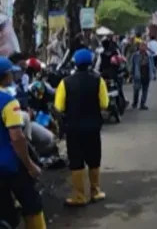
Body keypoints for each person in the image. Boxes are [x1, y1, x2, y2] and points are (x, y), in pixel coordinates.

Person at [54, 49, 109, 207]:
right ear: (90, 63)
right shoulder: (98, 81)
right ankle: (95, 192)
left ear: (75, 64)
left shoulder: (65, 82)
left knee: (76, 160)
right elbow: (104, 104)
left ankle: (79, 196)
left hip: (73, 128)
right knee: (94, 159)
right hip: (92, 128)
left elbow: (59, 106)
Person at [0, 57, 47, 229]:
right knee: (32, 205)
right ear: (6, 76)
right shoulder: (8, 101)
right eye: (11, 73)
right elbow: (17, 137)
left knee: (5, 214)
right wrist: (30, 165)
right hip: (11, 165)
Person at [131, 42, 155, 110]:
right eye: (141, 46)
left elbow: (152, 65)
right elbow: (132, 64)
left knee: (145, 90)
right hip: (138, 74)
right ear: (139, 47)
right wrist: (131, 73)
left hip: (146, 73)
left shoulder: (149, 55)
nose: (143, 48)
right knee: (136, 89)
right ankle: (135, 103)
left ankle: (142, 104)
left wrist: (153, 73)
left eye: (144, 46)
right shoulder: (136, 55)